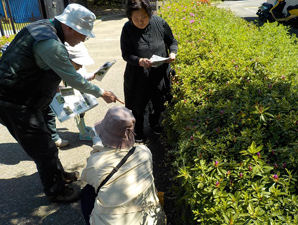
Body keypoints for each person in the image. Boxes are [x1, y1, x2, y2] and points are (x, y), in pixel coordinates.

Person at [0, 3, 123, 203]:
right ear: (69, 28)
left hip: (25, 98)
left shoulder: (42, 26)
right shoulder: (51, 44)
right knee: (44, 149)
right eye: (83, 34)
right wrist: (102, 93)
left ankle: (58, 175)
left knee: (47, 142)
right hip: (15, 104)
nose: (84, 39)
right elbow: (74, 78)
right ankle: (56, 191)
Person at [80, 105, 166, 225]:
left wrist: (97, 150)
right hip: (151, 220)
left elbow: (89, 179)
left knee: (87, 192)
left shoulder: (96, 162)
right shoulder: (144, 152)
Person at [120, 0, 178, 142]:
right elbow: (126, 54)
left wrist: (173, 53)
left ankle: (155, 124)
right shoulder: (127, 28)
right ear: (130, 18)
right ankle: (138, 130)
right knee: (138, 104)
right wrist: (139, 61)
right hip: (137, 74)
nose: (140, 22)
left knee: (158, 100)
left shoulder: (159, 23)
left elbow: (172, 41)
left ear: (150, 14)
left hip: (159, 73)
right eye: (136, 19)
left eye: (143, 18)